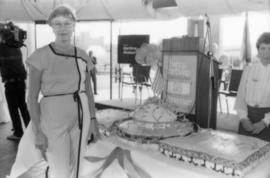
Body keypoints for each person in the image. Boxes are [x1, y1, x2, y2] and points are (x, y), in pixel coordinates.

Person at [26, 5, 100, 178]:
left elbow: (88, 91)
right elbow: (31, 98)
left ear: (74, 25)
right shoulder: (40, 55)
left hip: (82, 115)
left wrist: (94, 120)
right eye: (57, 24)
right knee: (59, 169)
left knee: (78, 166)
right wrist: (37, 131)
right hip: (53, 117)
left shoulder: (83, 55)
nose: (63, 28)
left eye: (67, 23)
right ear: (51, 26)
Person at [235, 32, 270, 142]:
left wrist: (265, 122)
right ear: (258, 49)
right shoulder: (249, 68)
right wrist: (243, 118)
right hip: (247, 116)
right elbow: (241, 96)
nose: (267, 52)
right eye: (263, 48)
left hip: (267, 119)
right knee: (242, 152)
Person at [0, 34, 30, 140]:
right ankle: (31, 131)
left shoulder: (2, 49)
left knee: (13, 109)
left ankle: (18, 133)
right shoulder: (17, 48)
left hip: (11, 83)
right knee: (23, 107)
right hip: (21, 82)